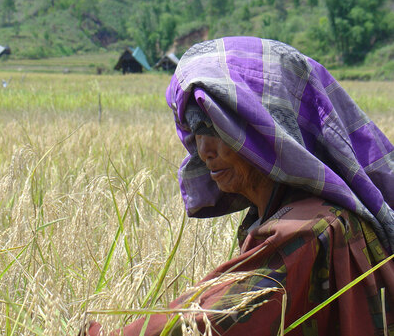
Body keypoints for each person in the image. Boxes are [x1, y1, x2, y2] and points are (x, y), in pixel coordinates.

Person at [85, 37, 394, 336]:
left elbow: (210, 323)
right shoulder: (291, 214)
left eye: (217, 128)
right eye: (196, 130)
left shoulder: (306, 231)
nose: (204, 150)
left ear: (268, 131)